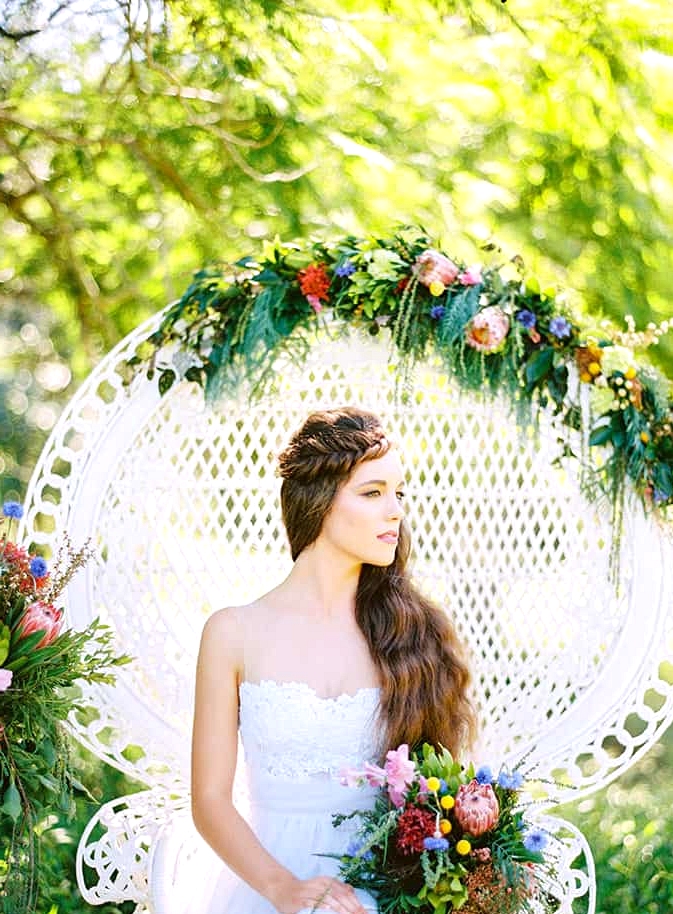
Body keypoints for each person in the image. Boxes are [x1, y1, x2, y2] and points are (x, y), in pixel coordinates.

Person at [191, 406, 476, 914]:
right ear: (319, 502)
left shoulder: (416, 637)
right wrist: (285, 890)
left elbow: (441, 792)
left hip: (388, 892)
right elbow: (209, 801)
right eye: (372, 493)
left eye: (398, 494)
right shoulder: (231, 633)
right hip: (266, 886)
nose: (395, 511)